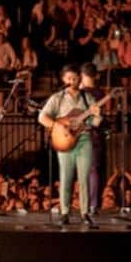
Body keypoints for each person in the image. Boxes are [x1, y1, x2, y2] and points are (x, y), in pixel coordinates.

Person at [38, 64, 100, 226]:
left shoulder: (87, 98)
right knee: (66, 177)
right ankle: (65, 212)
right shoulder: (57, 98)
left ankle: (84, 212)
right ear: (63, 79)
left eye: (75, 78)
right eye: (69, 78)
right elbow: (42, 117)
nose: (72, 81)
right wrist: (57, 125)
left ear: (79, 78)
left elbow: (95, 122)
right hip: (64, 140)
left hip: (84, 140)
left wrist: (98, 115)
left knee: (84, 177)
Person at [78, 62, 106, 218]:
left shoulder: (80, 92)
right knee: (93, 169)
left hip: (83, 134)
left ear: (82, 75)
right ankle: (92, 204)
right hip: (93, 134)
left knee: (87, 170)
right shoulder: (99, 92)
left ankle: (88, 204)